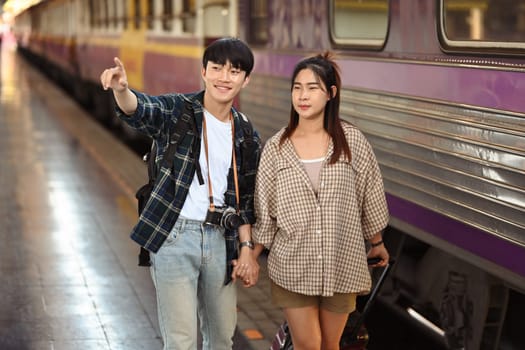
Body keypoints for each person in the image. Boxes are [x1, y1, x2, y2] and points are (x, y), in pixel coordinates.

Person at [99, 37, 261, 350]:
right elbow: (141, 110)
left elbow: (246, 200)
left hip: (221, 240)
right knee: (181, 341)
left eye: (234, 71)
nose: (224, 78)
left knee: (222, 338)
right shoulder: (179, 111)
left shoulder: (245, 131)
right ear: (204, 72)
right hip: (175, 234)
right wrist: (122, 90)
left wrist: (246, 249)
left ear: (246, 79)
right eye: (216, 68)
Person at [252, 52, 390, 350]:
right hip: (293, 265)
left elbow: (371, 194)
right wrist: (251, 255)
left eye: (312, 88)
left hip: (343, 264)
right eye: (297, 87)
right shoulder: (276, 148)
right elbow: (265, 211)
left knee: (330, 345)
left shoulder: (353, 142)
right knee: (309, 344)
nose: (303, 96)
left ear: (331, 94)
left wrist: (376, 241)